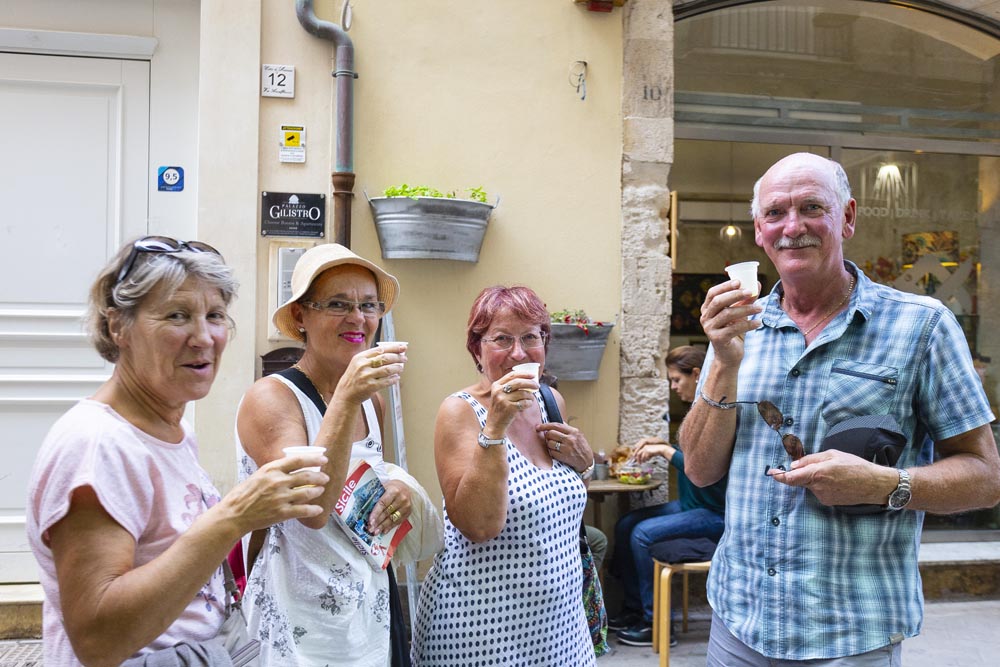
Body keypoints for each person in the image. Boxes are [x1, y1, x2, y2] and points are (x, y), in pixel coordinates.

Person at [679, 152, 1000, 666]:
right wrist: (721, 359)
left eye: (811, 207)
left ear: (847, 217)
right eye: (776, 214)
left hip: (852, 634)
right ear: (759, 231)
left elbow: (985, 477)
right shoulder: (738, 329)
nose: (793, 227)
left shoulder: (923, 326)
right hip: (739, 623)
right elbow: (699, 468)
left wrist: (883, 484)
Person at [26, 236, 330, 666]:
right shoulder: (97, 446)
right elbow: (98, 640)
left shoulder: (172, 430)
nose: (203, 337)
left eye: (215, 315)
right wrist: (234, 517)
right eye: (177, 315)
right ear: (119, 327)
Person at [235, 243, 442, 667]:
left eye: (369, 305)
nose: (358, 318)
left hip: (367, 614)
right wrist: (347, 394)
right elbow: (310, 507)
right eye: (337, 304)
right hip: (295, 622)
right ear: (300, 317)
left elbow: (372, 475)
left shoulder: (371, 401)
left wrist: (399, 489)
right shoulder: (272, 399)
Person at [410, 285, 598, 666]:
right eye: (502, 339)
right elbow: (477, 526)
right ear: (477, 350)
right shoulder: (459, 412)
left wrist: (586, 466)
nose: (518, 352)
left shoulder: (550, 402)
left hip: (560, 629)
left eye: (530, 337)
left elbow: (565, 500)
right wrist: (494, 427)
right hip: (481, 631)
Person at [609, 345, 726, 647]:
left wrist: (664, 450)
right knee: (626, 524)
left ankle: (657, 623)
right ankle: (634, 609)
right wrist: (661, 442)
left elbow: (703, 467)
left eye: (676, 380)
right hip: (691, 506)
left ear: (697, 375)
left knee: (643, 534)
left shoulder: (716, 411)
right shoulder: (698, 408)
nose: (673, 387)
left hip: (715, 514)